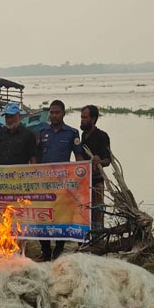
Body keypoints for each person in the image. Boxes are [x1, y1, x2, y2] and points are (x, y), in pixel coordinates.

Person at [37, 99, 82, 261]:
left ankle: (59, 249)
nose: (54, 115)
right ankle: (45, 250)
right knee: (42, 215)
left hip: (63, 182)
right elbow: (36, 156)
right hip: (44, 183)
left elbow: (79, 159)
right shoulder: (42, 132)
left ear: (63, 113)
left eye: (57, 112)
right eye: (52, 112)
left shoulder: (72, 133)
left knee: (62, 215)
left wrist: (80, 179)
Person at [80, 105, 112, 230]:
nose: (82, 120)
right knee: (85, 210)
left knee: (98, 211)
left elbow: (108, 160)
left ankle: (99, 238)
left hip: (97, 180)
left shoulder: (102, 136)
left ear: (93, 119)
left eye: (84, 117)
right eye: (81, 117)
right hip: (84, 181)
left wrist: (99, 161)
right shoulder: (83, 136)